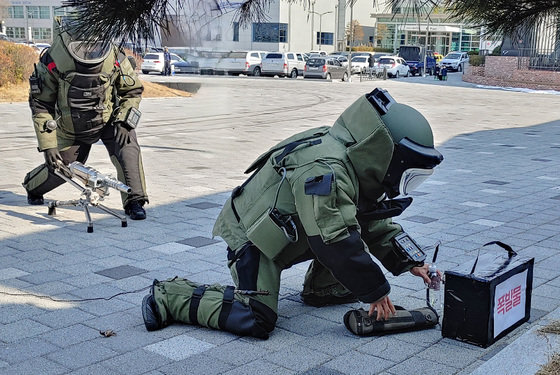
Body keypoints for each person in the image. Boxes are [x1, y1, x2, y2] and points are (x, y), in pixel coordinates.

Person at [141, 88, 444, 339]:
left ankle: (322, 288)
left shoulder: (354, 160)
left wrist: (413, 263)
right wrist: (376, 292)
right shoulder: (326, 169)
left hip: (294, 227)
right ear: (384, 155)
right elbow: (335, 240)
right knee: (256, 317)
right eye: (409, 175)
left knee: (344, 226)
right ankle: (168, 296)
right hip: (253, 237)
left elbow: (370, 222)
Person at [22, 16, 149, 220]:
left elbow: (131, 91)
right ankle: (32, 186)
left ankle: (135, 201)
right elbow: (40, 103)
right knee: (63, 166)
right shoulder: (55, 57)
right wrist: (49, 145)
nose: (90, 50)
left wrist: (126, 120)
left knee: (127, 144)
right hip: (71, 125)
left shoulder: (114, 56)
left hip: (108, 119)